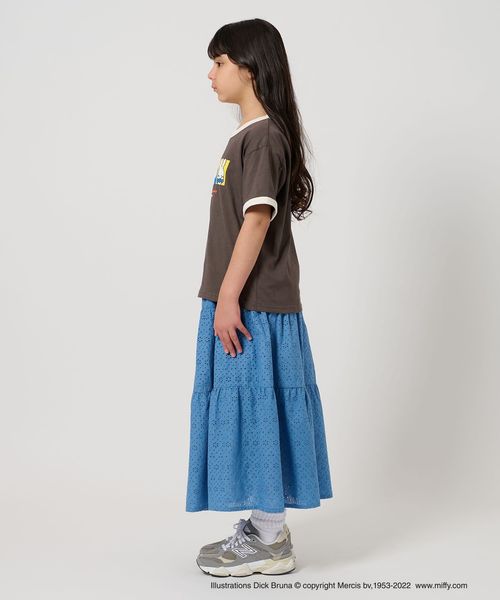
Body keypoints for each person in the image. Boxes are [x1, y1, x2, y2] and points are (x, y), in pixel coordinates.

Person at [185, 18, 334, 577]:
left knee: (260, 410)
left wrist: (228, 298)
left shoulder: (265, 137)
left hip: (254, 306)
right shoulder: (245, 138)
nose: (211, 73)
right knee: (252, 412)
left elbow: (256, 220)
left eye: (219, 61)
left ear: (249, 68)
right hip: (238, 301)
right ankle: (265, 527)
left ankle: (271, 539)